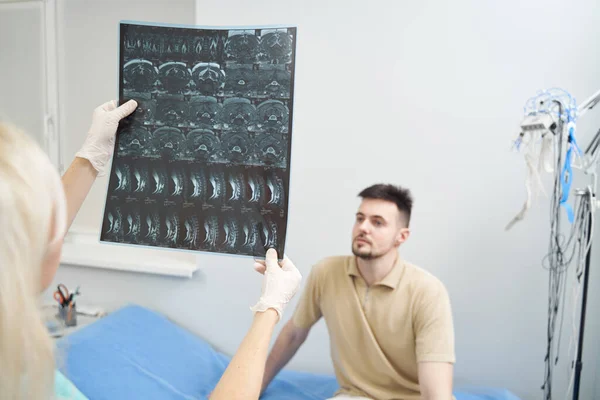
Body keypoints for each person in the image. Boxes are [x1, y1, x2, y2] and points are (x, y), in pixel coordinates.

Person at [0, 100, 302, 400]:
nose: (54, 228)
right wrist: (270, 308)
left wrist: (89, 157)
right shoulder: (20, 379)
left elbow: (32, 237)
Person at [258, 184, 456, 400]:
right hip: (355, 396)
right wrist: (253, 390)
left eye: (377, 222)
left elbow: (436, 394)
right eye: (360, 218)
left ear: (402, 236)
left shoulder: (428, 292)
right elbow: (293, 335)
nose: (364, 227)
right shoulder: (326, 273)